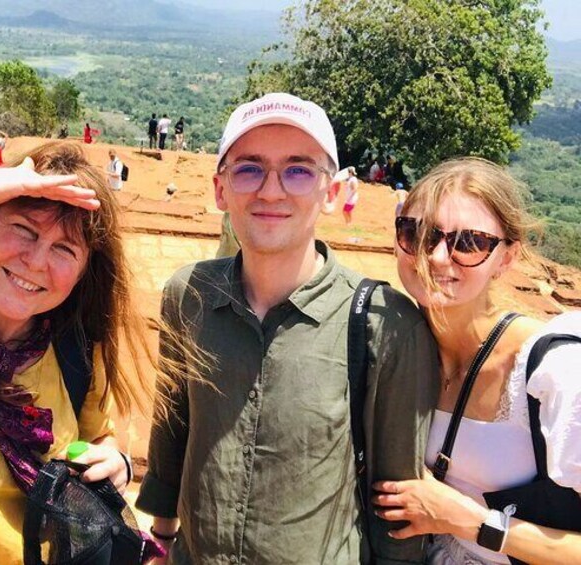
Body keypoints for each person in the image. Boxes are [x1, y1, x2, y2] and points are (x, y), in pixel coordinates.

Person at [137, 92, 438, 564]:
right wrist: (161, 536)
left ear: (332, 192)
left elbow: (396, 502)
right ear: (221, 189)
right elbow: (174, 427)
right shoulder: (189, 295)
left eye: (298, 170)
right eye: (249, 168)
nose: (271, 191)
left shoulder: (385, 322)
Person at [0, 142, 171, 564]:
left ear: (86, 268)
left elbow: (94, 436)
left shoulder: (77, 348)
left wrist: (115, 462)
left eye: (64, 249)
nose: (35, 261)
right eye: (24, 230)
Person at [374, 157, 581, 565]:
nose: (435, 257)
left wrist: (468, 521)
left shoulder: (554, 373)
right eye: (416, 233)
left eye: (468, 242)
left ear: (505, 258)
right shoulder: (402, 348)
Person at [343, 165, 359, 231]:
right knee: (348, 211)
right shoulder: (352, 179)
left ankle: (348, 223)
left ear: (350, 173)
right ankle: (349, 223)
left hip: (351, 198)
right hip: (351, 198)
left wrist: (350, 197)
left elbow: (354, 189)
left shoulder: (352, 180)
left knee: (345, 211)